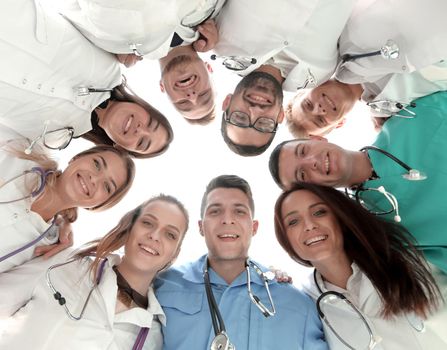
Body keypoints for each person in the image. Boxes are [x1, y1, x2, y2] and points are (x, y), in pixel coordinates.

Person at [269, 91, 447, 274]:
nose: (311, 162)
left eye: (303, 151)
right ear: (312, 192)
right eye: (303, 175)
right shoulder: (382, 229)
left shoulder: (409, 116)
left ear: (317, 139)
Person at [154, 175, 328, 350]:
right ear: (201, 227)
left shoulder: (297, 304)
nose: (227, 220)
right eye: (215, 211)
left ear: (254, 227)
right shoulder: (161, 287)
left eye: (239, 211)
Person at [0, 194, 189, 349]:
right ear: (129, 228)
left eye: (170, 234)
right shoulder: (66, 262)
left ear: (175, 253)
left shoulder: (152, 337)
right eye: (148, 223)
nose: (155, 236)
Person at [274, 182, 446, 349]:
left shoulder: (402, 261)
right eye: (293, 222)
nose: (309, 225)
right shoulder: (304, 305)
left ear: (339, 218)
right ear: (286, 240)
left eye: (319, 212)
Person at [0, 0, 173, 158]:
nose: (139, 129)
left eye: (142, 142)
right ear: (145, 108)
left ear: (120, 148)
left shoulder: (54, 137)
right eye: (150, 123)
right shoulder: (109, 60)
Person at [285, 0, 447, 138]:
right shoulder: (396, 111)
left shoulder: (339, 36)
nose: (318, 109)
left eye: (307, 104)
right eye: (320, 120)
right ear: (340, 124)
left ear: (307, 89)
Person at [213, 0, 355, 155]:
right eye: (263, 125)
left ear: (227, 103)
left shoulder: (219, 43)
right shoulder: (322, 73)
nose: (255, 110)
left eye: (240, 118)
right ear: (280, 116)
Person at [0, 139, 135, 273]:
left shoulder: (50, 244)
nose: (94, 179)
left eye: (107, 186)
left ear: (100, 205)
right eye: (97, 164)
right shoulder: (17, 158)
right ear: (76, 158)